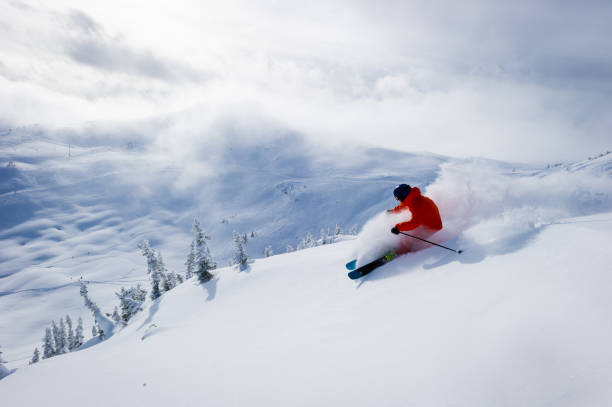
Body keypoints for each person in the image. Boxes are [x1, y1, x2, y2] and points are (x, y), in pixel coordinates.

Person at [389, 184, 443, 254]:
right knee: (406, 235)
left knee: (408, 239)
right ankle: (399, 248)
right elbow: (403, 205)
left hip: (433, 228)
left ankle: (397, 253)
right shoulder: (413, 198)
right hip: (426, 223)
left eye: (398, 198)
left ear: (403, 195)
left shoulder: (418, 204)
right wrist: (393, 211)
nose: (399, 200)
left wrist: (398, 228)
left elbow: (414, 223)